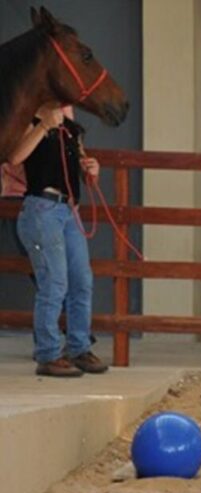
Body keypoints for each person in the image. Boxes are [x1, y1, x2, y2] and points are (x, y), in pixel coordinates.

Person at [8, 103, 108, 377]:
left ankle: (78, 346)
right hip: (42, 206)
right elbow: (15, 157)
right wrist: (43, 126)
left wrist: (91, 169)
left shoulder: (72, 130)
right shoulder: (30, 121)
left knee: (80, 280)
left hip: (68, 209)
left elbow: (79, 171)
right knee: (54, 282)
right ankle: (49, 353)